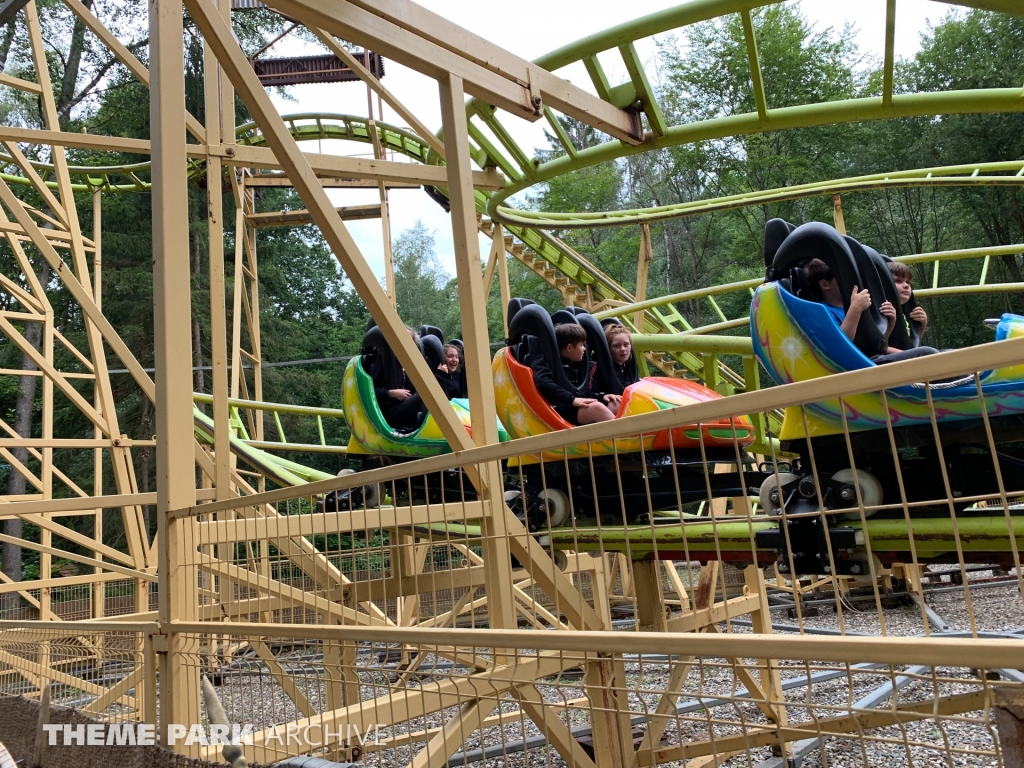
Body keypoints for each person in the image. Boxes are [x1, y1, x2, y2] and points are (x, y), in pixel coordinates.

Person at [804, 258, 936, 364]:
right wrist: (855, 308)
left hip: (873, 357)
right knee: (926, 354)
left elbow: (876, 343)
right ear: (825, 284)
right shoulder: (823, 311)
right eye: (843, 275)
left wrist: (891, 323)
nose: (851, 279)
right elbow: (840, 345)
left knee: (941, 353)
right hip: (859, 363)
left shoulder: (854, 306)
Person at [527, 323, 616, 425]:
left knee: (615, 403)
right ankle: (626, 438)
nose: (584, 349)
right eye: (581, 345)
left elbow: (581, 392)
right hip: (556, 409)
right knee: (597, 408)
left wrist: (602, 396)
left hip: (573, 406)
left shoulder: (576, 364)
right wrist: (571, 399)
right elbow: (544, 384)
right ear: (569, 348)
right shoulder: (544, 362)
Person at [372, 327, 426, 430]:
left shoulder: (411, 366)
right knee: (424, 396)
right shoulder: (384, 360)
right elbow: (369, 391)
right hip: (387, 415)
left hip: (409, 410)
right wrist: (391, 392)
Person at [886, 261, 930, 346]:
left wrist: (923, 325)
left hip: (900, 356)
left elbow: (910, 345)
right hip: (881, 358)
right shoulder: (883, 310)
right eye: (898, 281)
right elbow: (878, 347)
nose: (906, 286)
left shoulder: (904, 315)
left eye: (908, 282)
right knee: (928, 352)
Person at [603, 324, 639, 395]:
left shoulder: (627, 369)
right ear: (609, 349)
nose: (622, 349)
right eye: (616, 346)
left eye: (626, 345)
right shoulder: (602, 370)